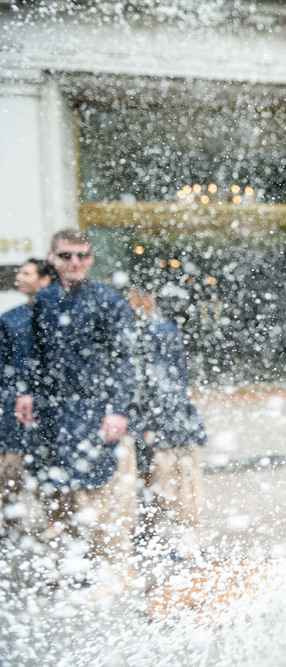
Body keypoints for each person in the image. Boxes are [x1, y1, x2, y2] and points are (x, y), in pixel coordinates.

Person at [15, 230, 138, 589]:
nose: (75, 263)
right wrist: (28, 391)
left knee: (105, 498)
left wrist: (117, 410)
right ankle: (73, 568)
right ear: (52, 259)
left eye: (82, 255)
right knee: (59, 494)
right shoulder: (44, 299)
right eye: (67, 256)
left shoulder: (109, 301)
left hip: (96, 411)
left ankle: (116, 570)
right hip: (53, 414)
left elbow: (125, 359)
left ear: (92, 259)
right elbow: (35, 354)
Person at [126, 282, 209, 558]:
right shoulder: (161, 328)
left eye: (132, 297)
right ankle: (186, 536)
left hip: (166, 419)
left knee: (173, 480)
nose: (129, 303)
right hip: (171, 416)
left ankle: (192, 538)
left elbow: (158, 380)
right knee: (174, 478)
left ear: (145, 298)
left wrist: (151, 423)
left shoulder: (155, 330)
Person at [1, 259, 55, 541]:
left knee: (49, 469)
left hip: (51, 408)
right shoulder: (10, 320)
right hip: (15, 410)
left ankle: (55, 523)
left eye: (26, 273)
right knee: (9, 469)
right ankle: (9, 524)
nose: (19, 277)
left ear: (44, 279)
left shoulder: (58, 316)